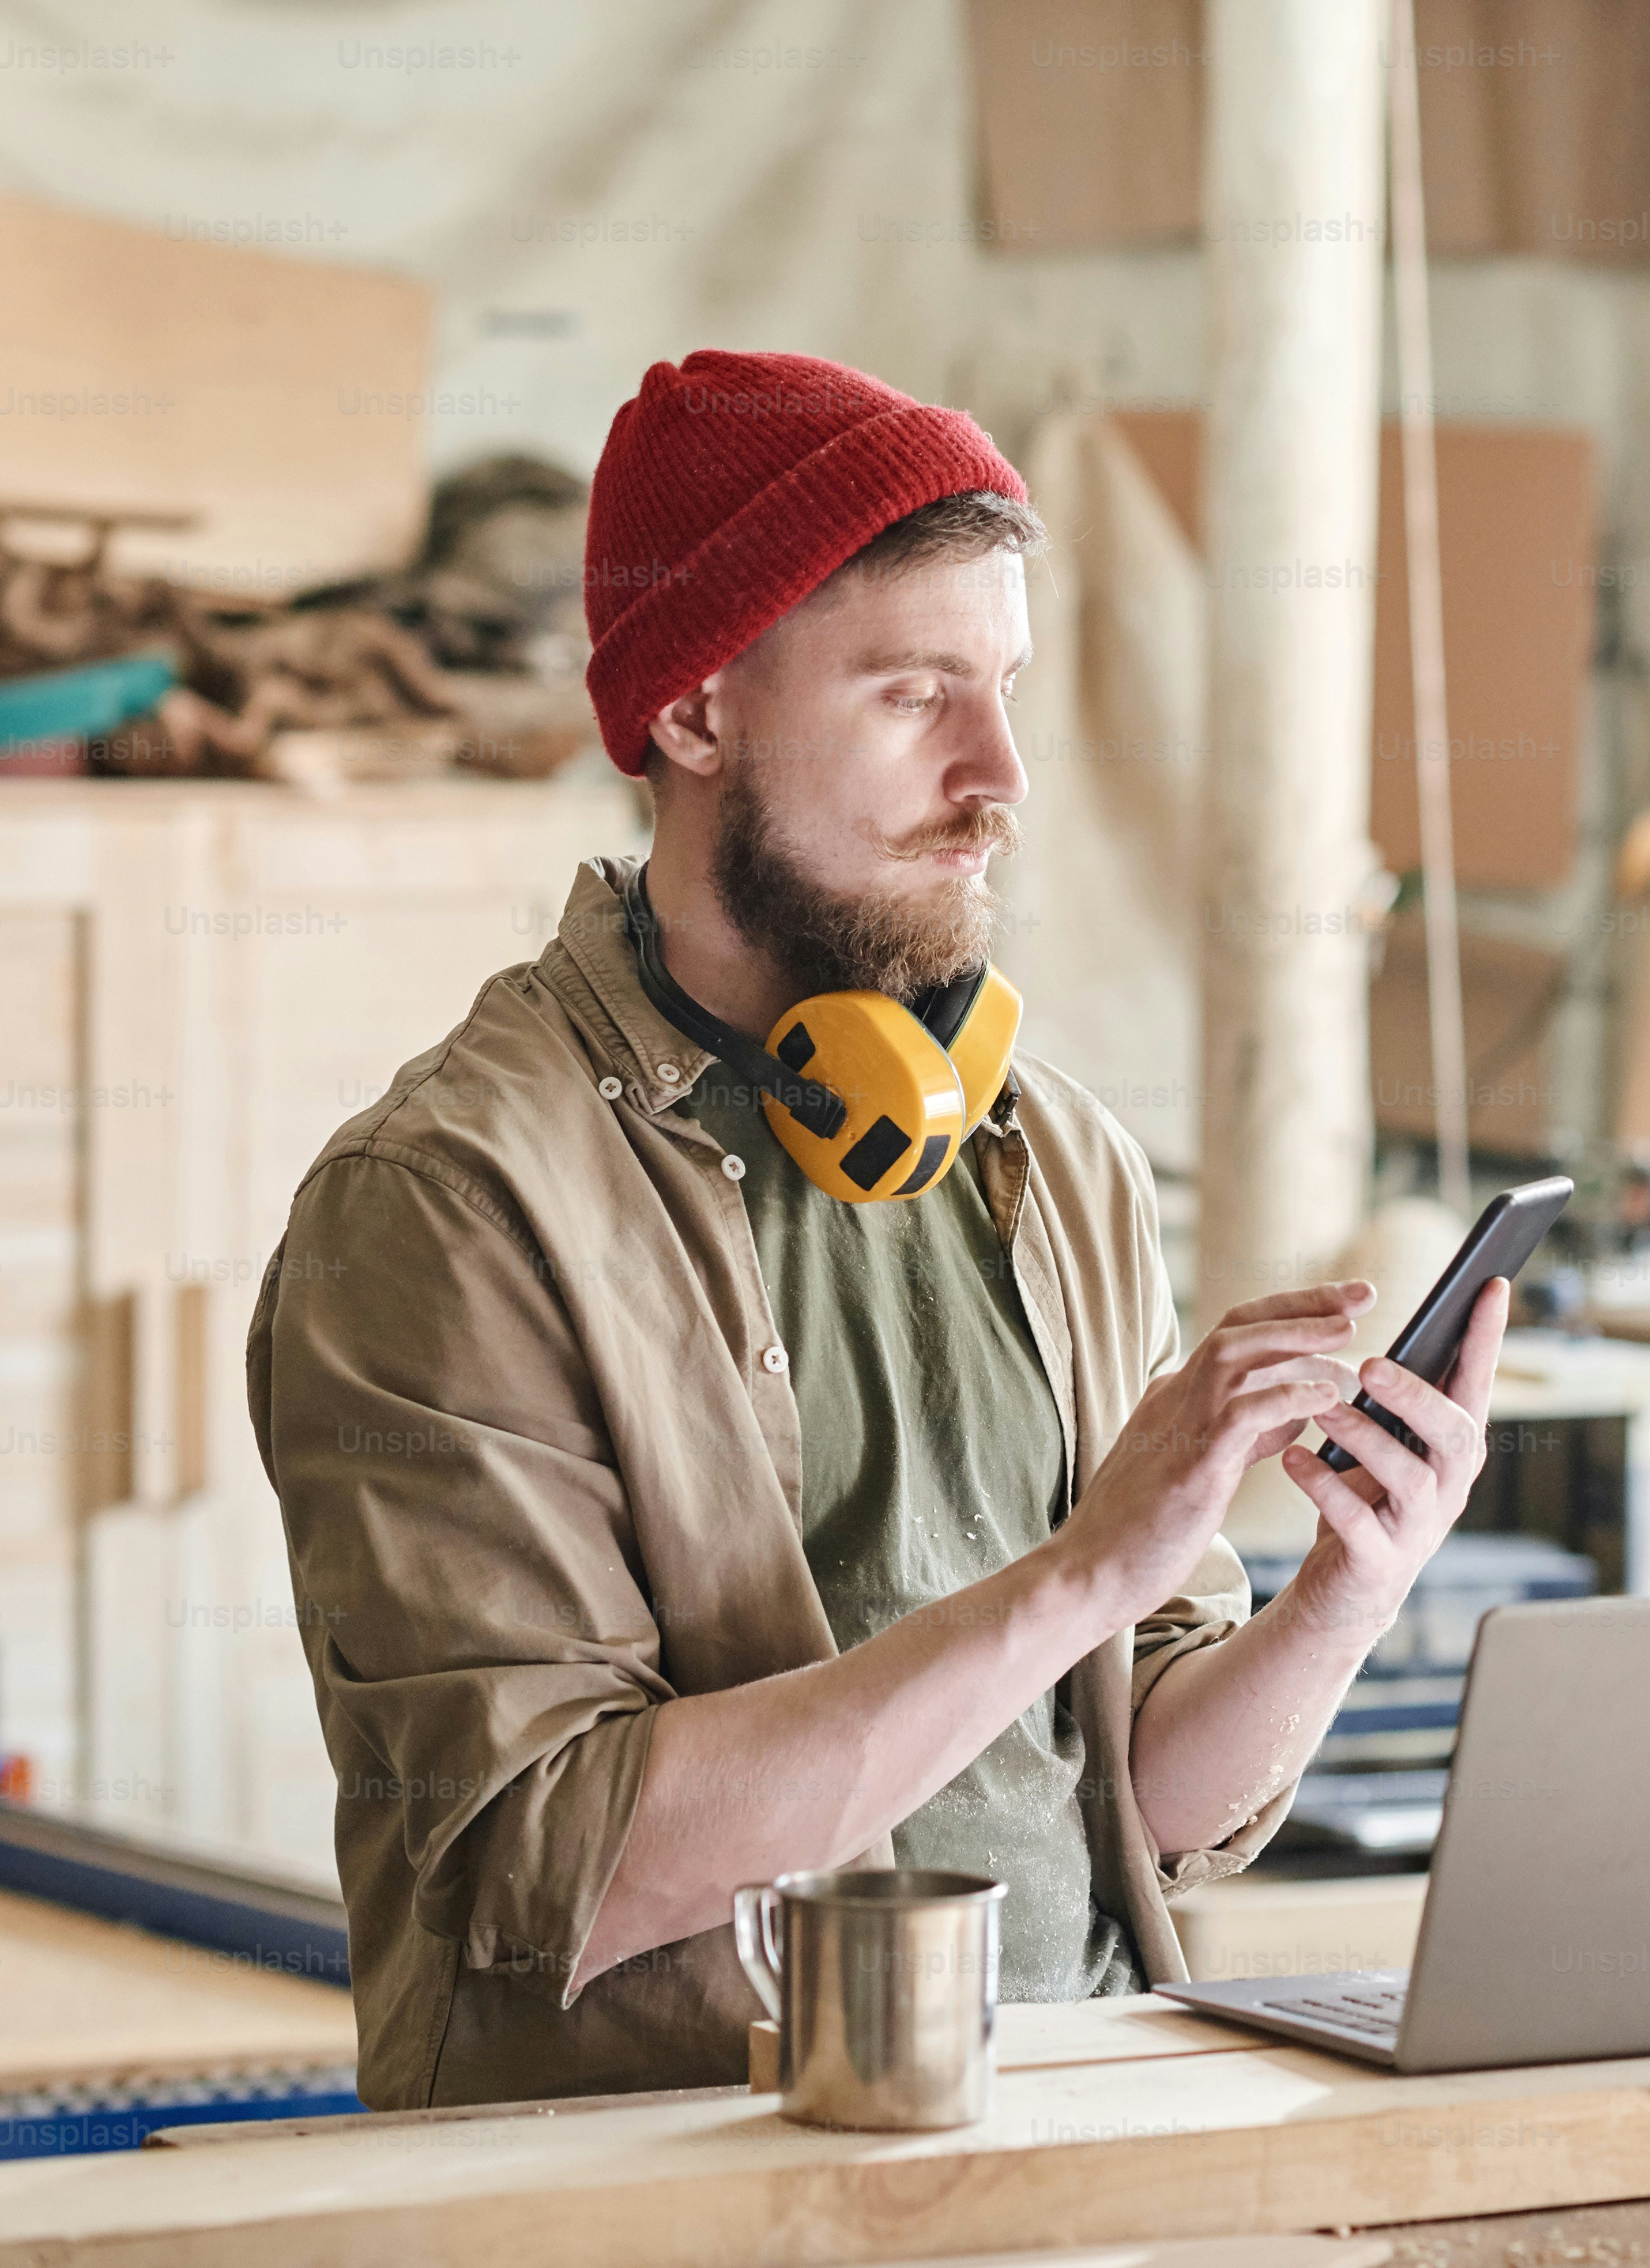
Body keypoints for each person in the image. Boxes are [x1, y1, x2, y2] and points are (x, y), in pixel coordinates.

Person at [247, 350, 1510, 2108]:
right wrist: (1084, 1568)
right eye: (919, 696)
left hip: (1070, 2144)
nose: (998, 775)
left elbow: (1130, 1784)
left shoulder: (1046, 1151)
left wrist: (1338, 1599)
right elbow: (552, 1870)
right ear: (691, 712)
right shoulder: (453, 1206)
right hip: (668, 2213)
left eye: (1006, 692)